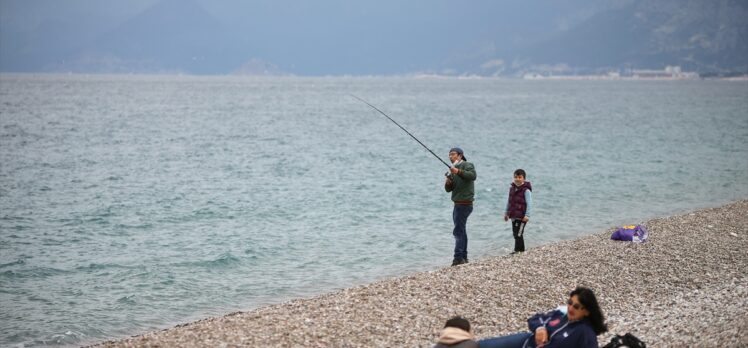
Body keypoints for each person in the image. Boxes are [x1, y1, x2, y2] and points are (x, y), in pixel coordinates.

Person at [478, 287, 608, 348]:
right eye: (569, 303)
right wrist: (540, 328)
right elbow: (535, 318)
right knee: (478, 346)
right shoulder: (562, 315)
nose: (570, 308)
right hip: (525, 341)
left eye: (576, 306)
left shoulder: (585, 332)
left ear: (587, 311)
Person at [444, 147, 476, 266]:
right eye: (449, 155)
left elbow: (472, 176)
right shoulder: (452, 170)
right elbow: (448, 189)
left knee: (458, 231)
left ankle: (458, 258)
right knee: (461, 230)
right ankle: (464, 257)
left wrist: (457, 172)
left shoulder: (467, 165)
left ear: (460, 156)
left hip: (465, 204)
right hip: (457, 204)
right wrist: (448, 182)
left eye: (453, 154)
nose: (450, 157)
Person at [503, 169, 532, 254]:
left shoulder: (526, 190)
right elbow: (509, 202)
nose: (517, 179)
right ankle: (517, 250)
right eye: (516, 177)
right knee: (515, 233)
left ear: (524, 178)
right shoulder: (512, 189)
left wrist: (527, 215)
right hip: (513, 216)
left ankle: (520, 251)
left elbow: (529, 203)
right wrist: (506, 213)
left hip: (522, 216)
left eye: (520, 177)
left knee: (519, 233)